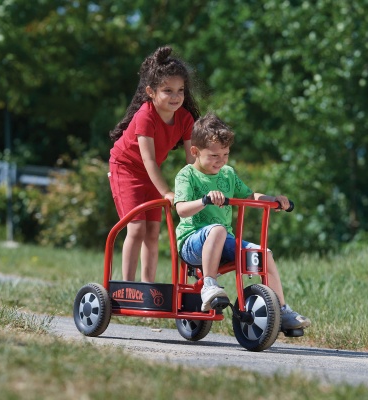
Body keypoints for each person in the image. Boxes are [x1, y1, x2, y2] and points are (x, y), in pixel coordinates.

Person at [174, 113, 311, 331]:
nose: (221, 160)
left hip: (223, 241)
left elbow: (248, 196)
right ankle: (209, 285)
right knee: (217, 230)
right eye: (214, 155)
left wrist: (272, 199)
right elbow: (180, 209)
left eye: (226, 154)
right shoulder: (187, 175)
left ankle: (281, 310)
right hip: (192, 244)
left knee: (263, 254)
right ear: (195, 152)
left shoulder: (227, 174)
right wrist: (204, 200)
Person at [109, 46, 200, 283]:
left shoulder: (185, 119)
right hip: (126, 169)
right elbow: (148, 160)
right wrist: (168, 192)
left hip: (151, 175)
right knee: (136, 228)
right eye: (167, 90)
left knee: (152, 233)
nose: (175, 96)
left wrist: (196, 188)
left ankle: (147, 287)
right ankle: (126, 286)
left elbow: (192, 161)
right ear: (150, 91)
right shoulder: (146, 115)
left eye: (180, 90)